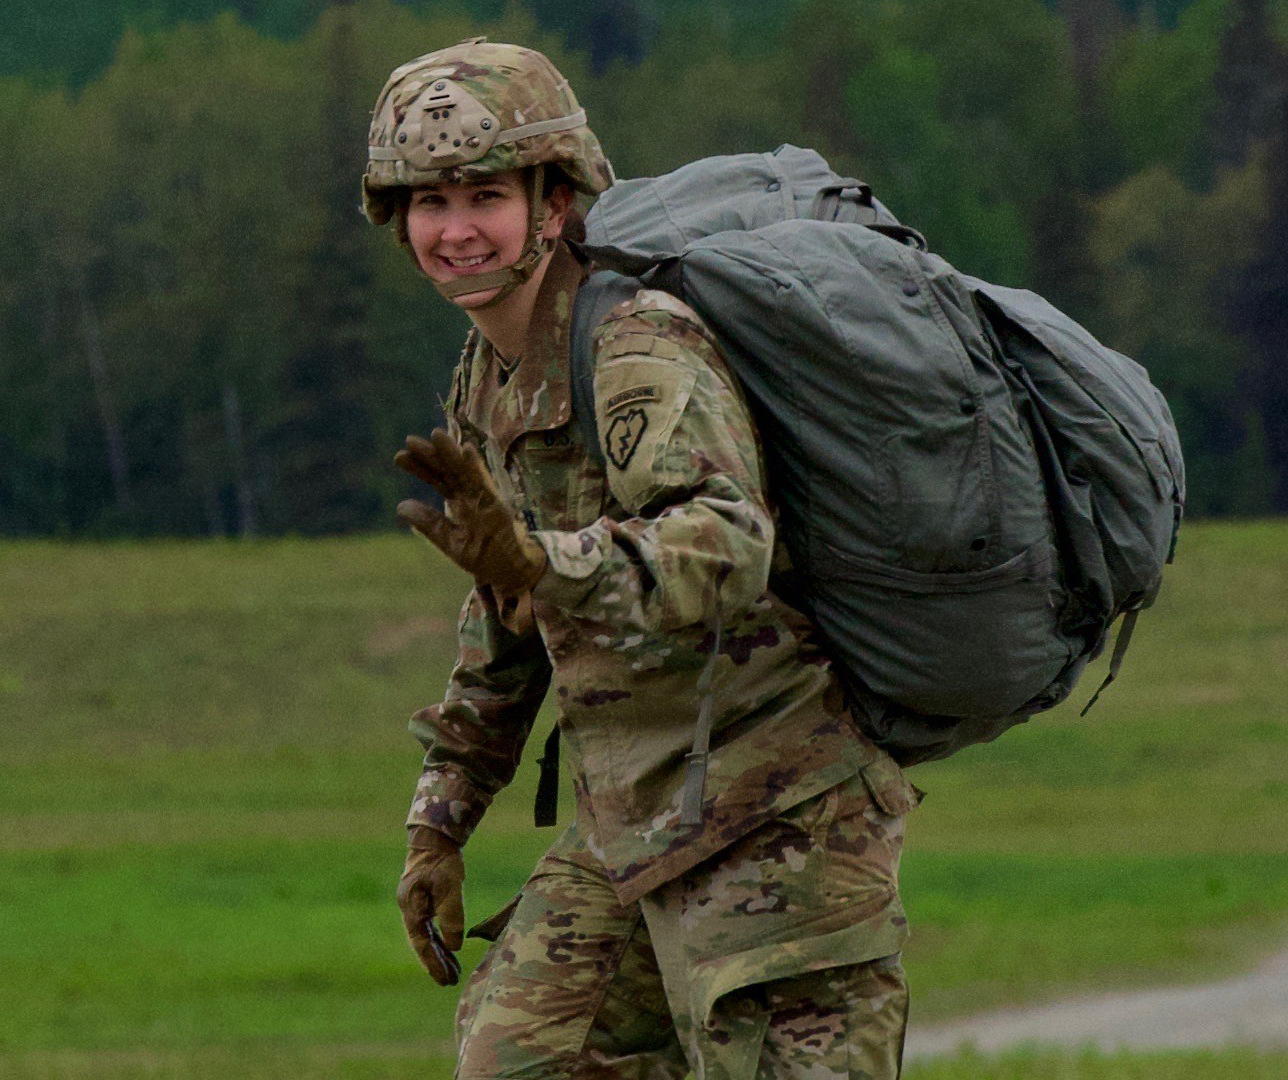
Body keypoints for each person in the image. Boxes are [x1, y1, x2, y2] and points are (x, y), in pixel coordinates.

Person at [361, 38, 916, 1080]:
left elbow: (726, 542)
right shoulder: (490, 375)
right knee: (515, 1063)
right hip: (629, 822)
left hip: (776, 822)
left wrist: (544, 559)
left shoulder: (637, 343)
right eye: (427, 204)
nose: (454, 230)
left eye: (483, 194)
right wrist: (438, 822)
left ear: (556, 199)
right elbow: (504, 622)